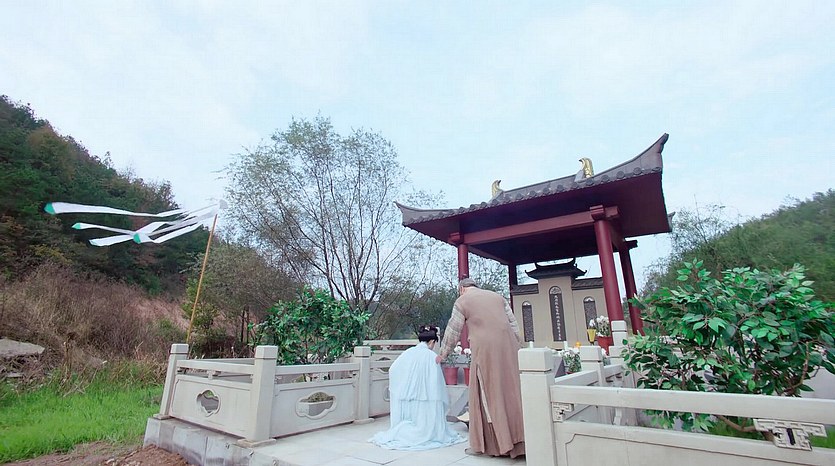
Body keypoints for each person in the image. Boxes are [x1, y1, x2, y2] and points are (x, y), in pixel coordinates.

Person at [436, 277, 525, 458]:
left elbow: (453, 330)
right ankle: (521, 442)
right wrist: (519, 347)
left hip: (485, 351)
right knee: (513, 392)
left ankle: (496, 445)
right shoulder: (498, 297)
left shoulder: (462, 301)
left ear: (462, 289)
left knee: (486, 394)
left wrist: (443, 354)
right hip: (509, 349)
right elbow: (514, 326)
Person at [369, 325, 466, 450]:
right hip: (428, 397)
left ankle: (404, 432)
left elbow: (393, 369)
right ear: (432, 341)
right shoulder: (431, 356)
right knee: (426, 424)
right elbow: (436, 381)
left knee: (412, 422)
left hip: (411, 396)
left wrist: (403, 387)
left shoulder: (409, 352)